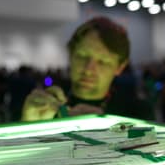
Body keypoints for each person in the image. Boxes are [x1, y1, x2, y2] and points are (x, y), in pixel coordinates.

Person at [21, 16, 154, 122]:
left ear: (120, 67)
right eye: (82, 56)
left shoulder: (137, 113)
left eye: (103, 61)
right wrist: (27, 125)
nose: (89, 69)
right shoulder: (44, 105)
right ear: (70, 55)